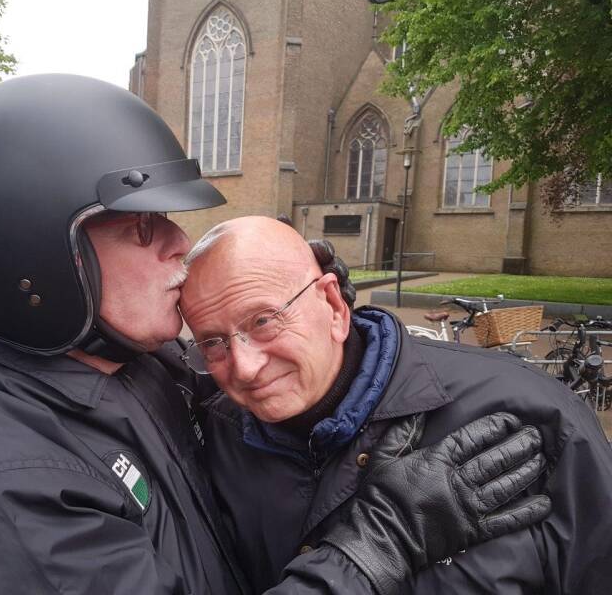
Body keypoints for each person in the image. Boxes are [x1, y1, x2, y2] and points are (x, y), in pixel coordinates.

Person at [0, 75, 547, 595]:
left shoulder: (115, 363)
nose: (178, 244)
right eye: (142, 227)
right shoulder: (4, 497)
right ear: (36, 263)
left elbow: (220, 385)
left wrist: (297, 306)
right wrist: (380, 544)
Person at [178, 215, 612, 595]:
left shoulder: (530, 412)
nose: (245, 367)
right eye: (212, 342)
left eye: (264, 321)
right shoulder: (217, 440)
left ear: (333, 305)